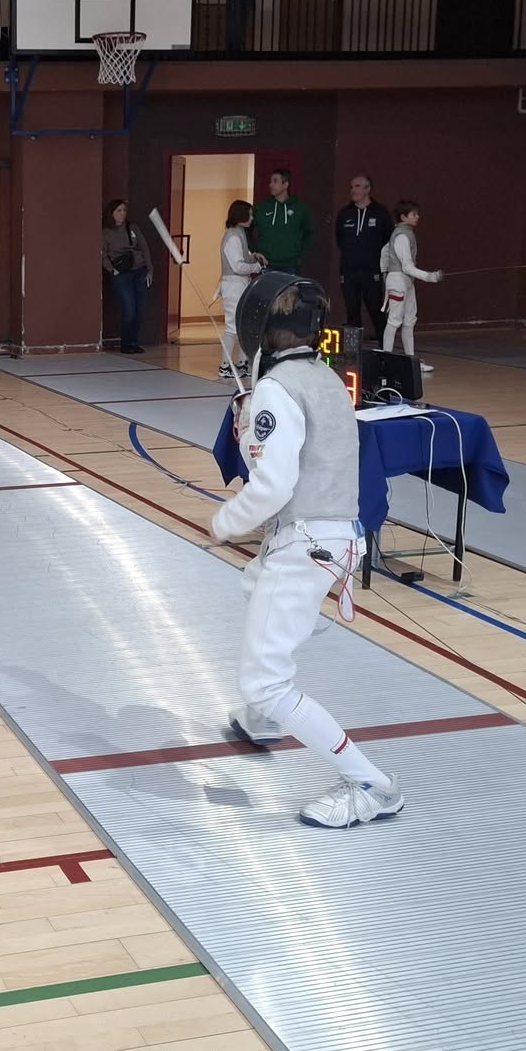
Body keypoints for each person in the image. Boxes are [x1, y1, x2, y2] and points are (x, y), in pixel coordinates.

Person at [211, 270, 401, 828]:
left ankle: (372, 786)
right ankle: (263, 716)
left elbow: (271, 487)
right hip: (336, 538)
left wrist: (224, 522)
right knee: (253, 584)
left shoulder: (277, 389)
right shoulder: (325, 378)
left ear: (257, 326)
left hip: (306, 546)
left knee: (264, 681)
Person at [379, 200, 441, 371]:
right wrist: (429, 277)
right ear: (403, 217)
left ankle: (410, 361)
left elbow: (384, 251)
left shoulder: (403, 233)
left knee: (409, 320)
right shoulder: (402, 236)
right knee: (394, 320)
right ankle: (385, 360)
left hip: (406, 281)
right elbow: (406, 266)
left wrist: (385, 272)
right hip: (399, 281)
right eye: (414, 214)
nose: (417, 217)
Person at [334, 174, 391, 338]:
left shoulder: (380, 213)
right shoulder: (344, 213)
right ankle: (353, 349)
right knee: (352, 310)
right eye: (351, 187)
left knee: (375, 309)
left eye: (357, 186)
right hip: (348, 271)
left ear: (368, 189)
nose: (353, 190)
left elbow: (388, 240)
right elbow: (340, 239)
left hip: (371, 270)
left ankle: (384, 346)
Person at [217, 198, 260, 379]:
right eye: (249, 214)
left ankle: (242, 363)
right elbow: (237, 266)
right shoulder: (233, 236)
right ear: (241, 215)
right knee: (232, 327)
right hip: (233, 285)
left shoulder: (239, 233)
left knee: (242, 326)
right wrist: (256, 267)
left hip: (240, 285)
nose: (252, 218)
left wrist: (255, 256)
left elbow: (244, 257)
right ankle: (224, 366)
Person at [102, 199, 151, 355]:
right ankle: (126, 343)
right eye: (119, 211)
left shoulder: (133, 228)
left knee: (139, 309)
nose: (122, 213)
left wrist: (150, 269)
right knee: (129, 309)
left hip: (139, 270)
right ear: (111, 213)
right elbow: (103, 254)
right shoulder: (106, 232)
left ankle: (134, 342)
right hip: (121, 273)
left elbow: (144, 247)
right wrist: (112, 270)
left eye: (124, 210)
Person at [252, 169, 312, 277]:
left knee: (290, 289)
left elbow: (309, 232)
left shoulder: (300, 208)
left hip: (291, 265)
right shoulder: (262, 208)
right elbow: (246, 227)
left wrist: (299, 255)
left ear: (285, 185)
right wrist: (254, 251)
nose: (271, 185)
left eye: (275, 181)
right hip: (266, 264)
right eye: (270, 181)